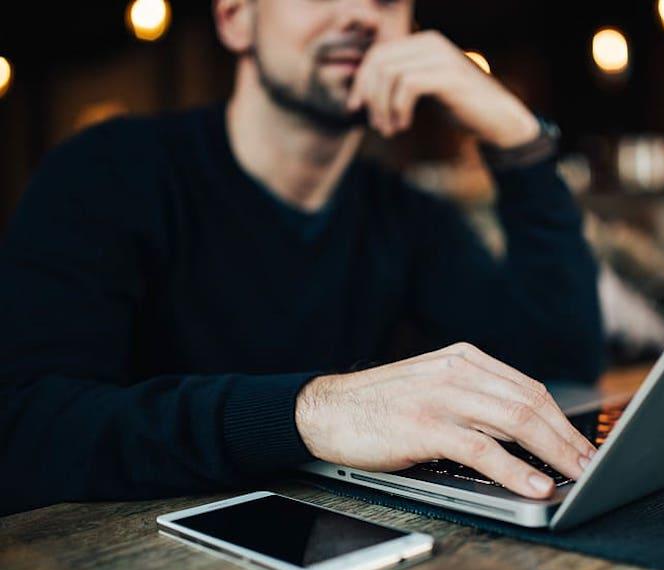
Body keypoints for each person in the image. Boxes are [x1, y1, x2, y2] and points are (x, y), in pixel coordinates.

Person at [0, 0, 604, 515]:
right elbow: (24, 430)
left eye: (387, 0)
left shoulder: (407, 216)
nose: (361, 14)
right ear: (235, 18)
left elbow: (559, 374)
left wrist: (520, 144)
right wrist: (310, 413)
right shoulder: (107, 173)